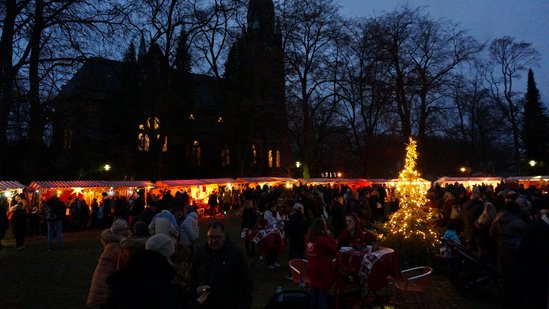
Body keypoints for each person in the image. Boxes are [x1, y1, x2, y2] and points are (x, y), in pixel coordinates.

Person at [107, 233, 210, 309]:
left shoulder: (134, 271)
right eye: (170, 256)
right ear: (165, 256)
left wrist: (194, 292)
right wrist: (196, 304)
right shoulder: (159, 279)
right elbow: (169, 302)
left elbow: (174, 297)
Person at [191, 221, 253, 309]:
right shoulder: (200, 253)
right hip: (205, 304)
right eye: (210, 237)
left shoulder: (235, 254)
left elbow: (246, 281)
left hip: (228, 304)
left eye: (217, 237)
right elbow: (193, 278)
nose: (213, 241)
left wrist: (245, 305)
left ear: (224, 236)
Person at [87, 219, 129, 308]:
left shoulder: (111, 244)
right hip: (105, 287)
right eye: (126, 229)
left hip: (104, 283)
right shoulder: (115, 248)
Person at [306, 217, 337, 309]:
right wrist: (329, 236)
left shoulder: (308, 238)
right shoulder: (322, 239)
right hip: (323, 270)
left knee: (314, 292)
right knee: (323, 295)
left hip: (312, 269)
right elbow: (334, 250)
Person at [284, 203, 308, 280]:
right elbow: (306, 229)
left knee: (293, 257)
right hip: (301, 240)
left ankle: (291, 273)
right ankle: (303, 273)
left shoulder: (293, 218)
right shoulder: (304, 218)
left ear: (295, 209)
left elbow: (289, 229)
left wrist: (287, 224)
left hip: (294, 240)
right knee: (301, 256)